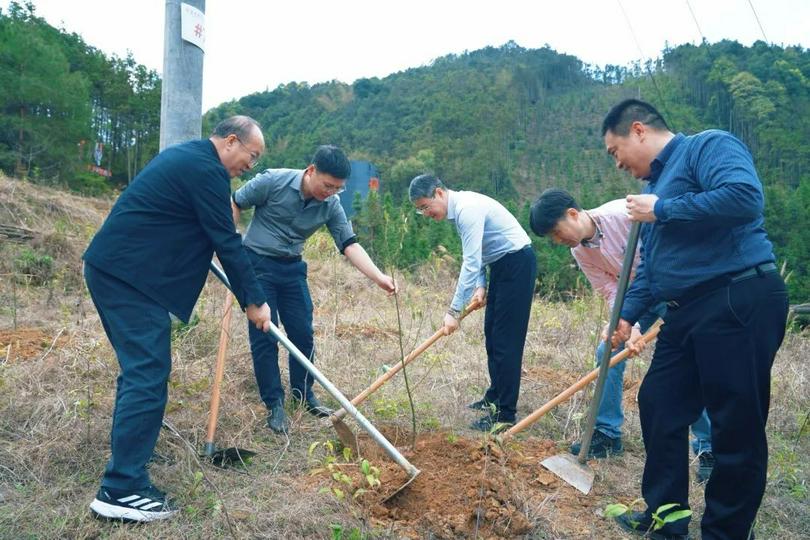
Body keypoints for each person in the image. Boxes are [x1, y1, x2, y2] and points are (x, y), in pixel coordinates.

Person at [602, 99, 788, 540]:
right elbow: (651, 267)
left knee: (734, 424)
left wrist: (662, 209)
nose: (618, 165)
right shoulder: (654, 190)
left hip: (736, 296)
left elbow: (744, 198)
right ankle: (667, 517)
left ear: (639, 130)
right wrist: (626, 314)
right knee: (659, 402)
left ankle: (725, 532)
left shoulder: (707, 146)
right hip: (683, 312)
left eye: (615, 152)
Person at [83, 116, 273, 522]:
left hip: (124, 273)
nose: (248, 167)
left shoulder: (194, 161)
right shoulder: (204, 169)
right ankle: (121, 489)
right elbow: (227, 242)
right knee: (147, 374)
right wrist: (254, 301)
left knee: (140, 373)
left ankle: (127, 469)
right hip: (128, 277)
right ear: (231, 142)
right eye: (250, 157)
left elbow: (207, 227)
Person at [529, 188, 713, 481]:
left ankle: (707, 448)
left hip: (675, 287)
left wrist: (635, 320)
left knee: (689, 360)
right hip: (636, 299)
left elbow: (660, 258)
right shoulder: (580, 251)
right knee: (607, 351)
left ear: (573, 214)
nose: (557, 240)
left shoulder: (624, 217)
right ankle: (607, 432)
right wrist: (628, 326)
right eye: (551, 238)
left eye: (555, 231)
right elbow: (609, 289)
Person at [232, 145, 396, 434]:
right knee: (266, 334)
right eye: (327, 185)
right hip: (257, 265)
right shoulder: (273, 181)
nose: (330, 192)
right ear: (310, 171)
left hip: (293, 268)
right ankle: (275, 405)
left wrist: (378, 277)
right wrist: (228, 246)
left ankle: (304, 395)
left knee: (303, 333)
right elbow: (235, 202)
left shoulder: (331, 204)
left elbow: (349, 244)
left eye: (337, 188)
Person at [409, 174, 536, 433]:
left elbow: (470, 261)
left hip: (517, 265)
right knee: (491, 334)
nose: (426, 213)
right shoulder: (460, 209)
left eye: (425, 206)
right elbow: (477, 253)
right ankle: (495, 395)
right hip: (501, 265)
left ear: (440, 193)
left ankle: (505, 413)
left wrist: (453, 311)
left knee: (506, 340)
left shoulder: (467, 209)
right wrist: (481, 286)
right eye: (420, 210)